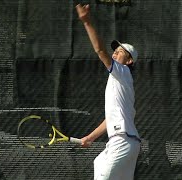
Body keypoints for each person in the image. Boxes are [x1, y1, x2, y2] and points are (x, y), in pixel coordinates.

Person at [75, 4, 141, 180]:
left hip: (122, 141)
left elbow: (100, 50)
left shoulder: (123, 72)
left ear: (128, 62)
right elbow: (110, 119)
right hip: (128, 142)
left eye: (119, 53)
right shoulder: (121, 84)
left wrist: (87, 21)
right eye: (115, 52)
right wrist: (90, 137)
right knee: (98, 162)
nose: (114, 55)